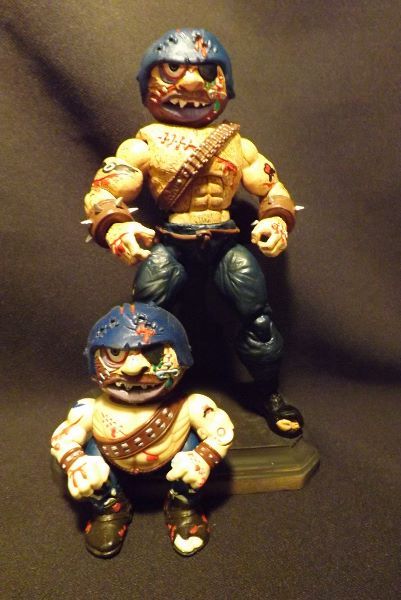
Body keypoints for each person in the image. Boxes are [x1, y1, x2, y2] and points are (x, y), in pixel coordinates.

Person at [82, 28, 303, 436]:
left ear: (225, 82)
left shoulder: (238, 144)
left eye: (206, 72)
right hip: (172, 245)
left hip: (225, 243)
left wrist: (276, 219)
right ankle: (148, 397)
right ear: (149, 80)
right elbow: (104, 190)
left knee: (257, 318)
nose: (190, 84)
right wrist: (116, 226)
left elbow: (273, 189)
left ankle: (268, 392)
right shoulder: (144, 144)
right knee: (145, 321)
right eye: (172, 70)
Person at [51, 303, 234, 558]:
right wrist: (78, 465)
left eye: (154, 352)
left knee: (190, 452)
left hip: (173, 466)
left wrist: (202, 459)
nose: (133, 369)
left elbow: (221, 432)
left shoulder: (192, 407)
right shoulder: (89, 409)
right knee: (93, 455)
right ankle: (110, 510)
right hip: (111, 469)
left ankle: (182, 507)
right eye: (115, 354)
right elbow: (63, 439)